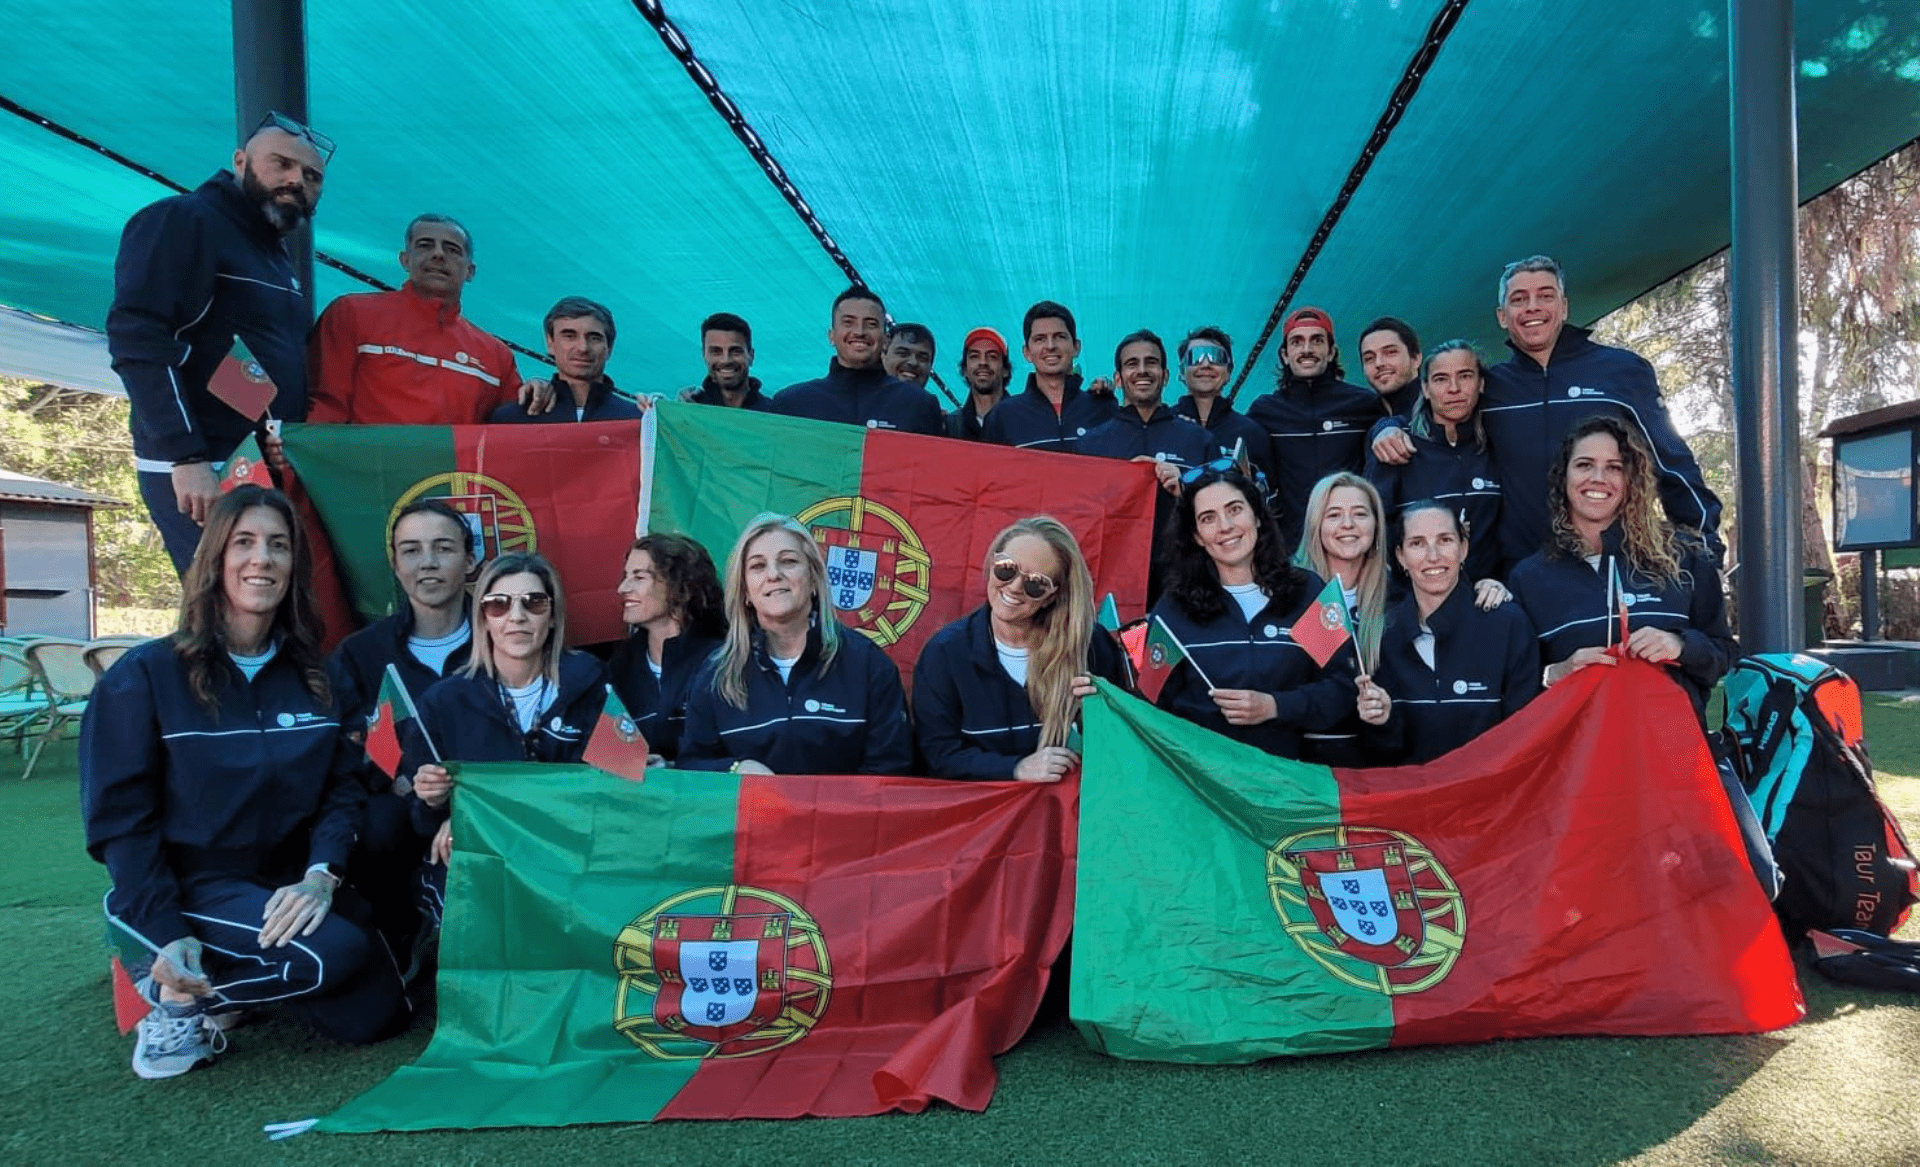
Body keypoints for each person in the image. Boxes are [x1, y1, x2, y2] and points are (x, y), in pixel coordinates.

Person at [81, 485, 407, 1079]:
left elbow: (343, 792)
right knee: (335, 954)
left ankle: (225, 981)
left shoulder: (318, 676)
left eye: (279, 546)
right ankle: (163, 982)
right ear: (215, 559)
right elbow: (121, 821)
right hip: (197, 883)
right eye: (245, 543)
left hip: (286, 879)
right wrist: (163, 924)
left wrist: (320, 875)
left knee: (377, 1017)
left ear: (294, 566)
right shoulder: (146, 676)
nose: (263, 559)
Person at [1372, 255, 1721, 572]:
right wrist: (1385, 428)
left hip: (1613, 568)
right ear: (1502, 316)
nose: (1532, 307)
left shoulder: (1620, 372)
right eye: (1519, 299)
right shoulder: (1493, 386)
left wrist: (1704, 547)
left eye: (1545, 295)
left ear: (1565, 306)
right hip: (1522, 576)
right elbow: (1435, 413)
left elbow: (1672, 462)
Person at [108, 113, 330, 573]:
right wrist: (185, 456)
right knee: (220, 608)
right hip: (201, 464)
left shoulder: (271, 252)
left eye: (311, 176)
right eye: (282, 164)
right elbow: (141, 339)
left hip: (253, 461)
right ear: (240, 160)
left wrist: (276, 430)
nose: (296, 180)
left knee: (257, 608)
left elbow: (234, 353)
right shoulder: (183, 220)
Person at [407, 553, 609, 928]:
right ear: (483, 618)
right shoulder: (444, 701)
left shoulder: (591, 684)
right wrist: (436, 802)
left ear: (552, 617)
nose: (517, 616)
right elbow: (420, 823)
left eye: (533, 603)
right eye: (499, 604)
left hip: (569, 854)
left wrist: (471, 815)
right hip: (482, 862)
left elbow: (610, 786)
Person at [1507, 416, 1735, 722]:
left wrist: (1679, 645)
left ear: (1631, 479)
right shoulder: (1530, 577)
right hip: (1577, 758)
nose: (1598, 477)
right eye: (1584, 465)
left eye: (1614, 467)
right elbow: (1512, 689)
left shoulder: (1683, 556)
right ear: (1564, 476)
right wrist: (1557, 672)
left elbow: (1725, 654)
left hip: (1671, 752)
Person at [326, 500, 475, 954]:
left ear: (469, 560)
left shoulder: (505, 635)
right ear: (394, 563)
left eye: (443, 548)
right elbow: (342, 748)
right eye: (411, 550)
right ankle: (396, 935)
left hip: (490, 806)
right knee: (375, 823)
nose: (427, 562)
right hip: (403, 809)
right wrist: (393, 783)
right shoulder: (359, 654)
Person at [1149, 466, 1358, 759]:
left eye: (1235, 509)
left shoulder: (1306, 592)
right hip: (1202, 788)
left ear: (1257, 516)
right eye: (1208, 518)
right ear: (1196, 536)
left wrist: (1275, 706)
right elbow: (1149, 702)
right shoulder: (1173, 607)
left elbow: (1343, 687)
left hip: (1292, 785)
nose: (1225, 526)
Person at [679, 514, 913, 774]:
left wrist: (822, 809)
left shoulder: (869, 665)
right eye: (758, 566)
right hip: (753, 815)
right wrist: (736, 768)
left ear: (814, 579)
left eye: (788, 561)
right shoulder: (715, 676)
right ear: (744, 590)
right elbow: (691, 766)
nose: (774, 575)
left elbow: (892, 770)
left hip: (842, 814)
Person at [912, 518, 1129, 780]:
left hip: (1065, 815)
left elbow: (1126, 739)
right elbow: (938, 757)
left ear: (1052, 596)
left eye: (1035, 584)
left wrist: (1096, 713)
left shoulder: (1091, 646)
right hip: (982, 817)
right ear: (992, 562)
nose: (1014, 587)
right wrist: (1016, 768)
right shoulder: (945, 654)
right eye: (1006, 569)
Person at [307, 214, 533, 426]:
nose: (438, 255)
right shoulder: (352, 313)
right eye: (425, 245)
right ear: (405, 259)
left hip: (452, 469)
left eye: (452, 249)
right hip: (362, 467)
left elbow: (517, 430)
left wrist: (543, 390)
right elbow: (326, 406)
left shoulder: (496, 356)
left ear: (470, 271)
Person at [1358, 503, 1540, 764]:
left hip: (1491, 797)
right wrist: (1382, 723)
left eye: (1444, 540)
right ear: (1400, 557)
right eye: (1417, 543)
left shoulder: (1508, 624)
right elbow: (1381, 756)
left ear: (1463, 548)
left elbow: (1526, 735)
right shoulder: (1381, 635)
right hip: (1413, 799)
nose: (1433, 556)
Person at [1364, 340, 1506, 587]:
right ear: (1426, 389)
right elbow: (1373, 530)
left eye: (1465, 376)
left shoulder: (1499, 445)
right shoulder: (1398, 446)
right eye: (1441, 379)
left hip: (1485, 601)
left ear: (1481, 384)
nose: (1454, 388)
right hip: (1413, 604)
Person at [1246, 308, 1384, 547]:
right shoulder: (1264, 411)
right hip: (1292, 547)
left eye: (1317, 341)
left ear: (1331, 352)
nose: (1307, 350)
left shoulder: (1364, 404)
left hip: (1352, 542)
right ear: (1284, 355)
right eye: (1297, 342)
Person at [1291, 473, 1391, 766]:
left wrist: (1487, 585)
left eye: (1360, 514)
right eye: (1333, 515)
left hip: (1375, 762)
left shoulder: (1400, 594)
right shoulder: (1286, 591)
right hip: (1298, 764)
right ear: (1316, 526)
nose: (1348, 524)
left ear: (1376, 525)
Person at [606, 533, 727, 765]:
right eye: (625, 576)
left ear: (680, 585)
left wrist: (670, 769)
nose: (623, 588)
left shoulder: (723, 660)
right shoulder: (619, 668)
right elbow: (608, 758)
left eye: (639, 577)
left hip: (708, 798)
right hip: (638, 798)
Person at [772, 287, 943, 434]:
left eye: (871, 324)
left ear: (885, 339)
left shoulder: (920, 405)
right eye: (848, 322)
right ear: (831, 336)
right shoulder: (791, 403)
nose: (860, 331)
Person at [1078, 329, 1212, 489]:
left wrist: (1184, 487)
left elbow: (1216, 501)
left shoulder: (1199, 440)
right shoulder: (1089, 445)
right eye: (1132, 364)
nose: (1142, 371)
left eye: (1151, 362)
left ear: (1166, 376)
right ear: (1118, 379)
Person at [981, 300, 1118, 453]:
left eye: (1060, 337)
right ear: (1027, 352)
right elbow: (989, 474)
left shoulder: (1104, 409)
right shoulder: (1002, 416)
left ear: (1076, 347)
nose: (1051, 346)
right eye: (1040, 339)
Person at [488, 297, 643, 423]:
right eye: (569, 336)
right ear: (550, 343)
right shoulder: (512, 418)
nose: (583, 348)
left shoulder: (639, 422)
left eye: (594, 338)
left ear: (609, 348)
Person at [1171, 326, 1275, 489]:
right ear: (1182, 372)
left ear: (1229, 372)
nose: (1205, 364)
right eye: (1195, 357)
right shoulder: (1162, 426)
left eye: (1215, 357)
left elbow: (1268, 499)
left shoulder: (1252, 433)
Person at [680, 312, 772, 410]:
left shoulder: (774, 413)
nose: (726, 360)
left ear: (751, 356)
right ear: (704, 355)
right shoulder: (689, 409)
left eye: (736, 351)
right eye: (716, 351)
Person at [945, 326, 1013, 440]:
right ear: (965, 370)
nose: (983, 362)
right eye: (974, 356)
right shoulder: (950, 425)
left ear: (1005, 370)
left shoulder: (1022, 420)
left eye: (992, 357)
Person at [1357, 316, 1423, 418]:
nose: (1379, 363)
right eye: (1369, 358)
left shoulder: (1442, 408)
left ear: (1415, 359)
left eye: (1391, 352)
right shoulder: (1363, 418)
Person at [881, 322, 936, 390]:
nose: (913, 362)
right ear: (882, 354)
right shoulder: (864, 393)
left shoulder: (929, 400)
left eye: (922, 358)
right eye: (903, 353)